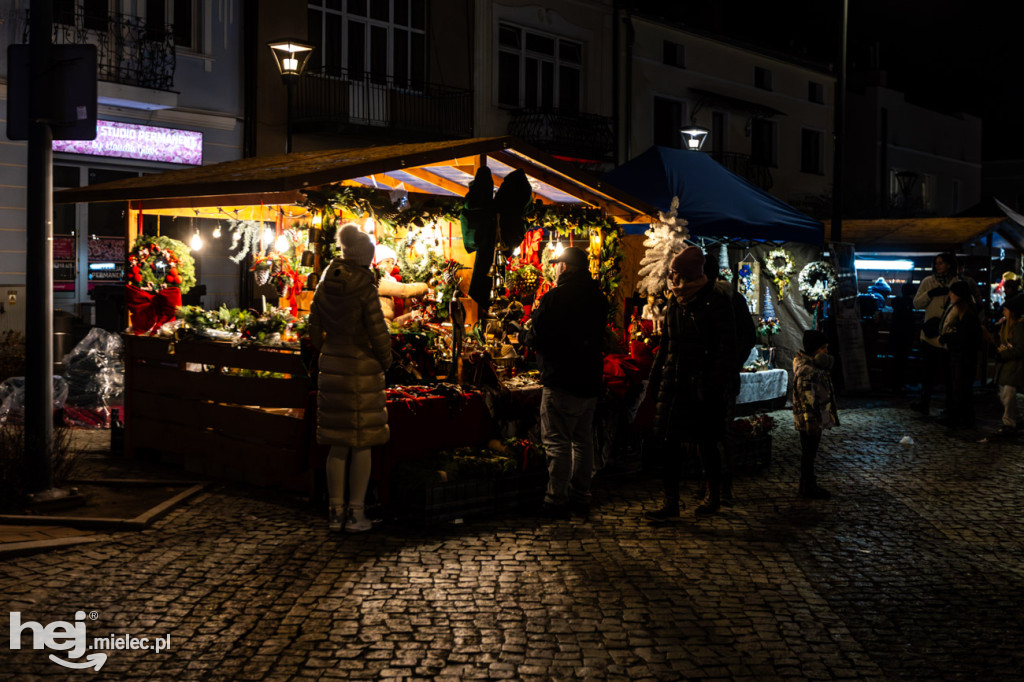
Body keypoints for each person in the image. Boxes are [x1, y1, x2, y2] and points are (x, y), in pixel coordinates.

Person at [309, 223, 393, 533]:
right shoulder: (365, 288)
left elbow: (314, 330)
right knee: (361, 444)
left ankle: (335, 512)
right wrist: (386, 361)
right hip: (360, 370)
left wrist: (329, 351)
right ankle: (356, 514)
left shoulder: (324, 283)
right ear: (365, 257)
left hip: (331, 366)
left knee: (336, 445)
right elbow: (378, 331)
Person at [644, 246, 737, 520]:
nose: (671, 278)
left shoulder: (715, 301)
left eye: (675, 273)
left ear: (686, 275)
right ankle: (670, 502)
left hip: (701, 386)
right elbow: (667, 344)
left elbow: (726, 348)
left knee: (706, 443)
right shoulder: (675, 301)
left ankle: (714, 494)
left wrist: (713, 383)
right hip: (673, 383)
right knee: (668, 443)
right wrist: (657, 377)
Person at [525, 246, 608, 519]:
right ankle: (581, 495)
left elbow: (539, 335)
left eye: (559, 263)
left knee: (558, 441)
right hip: (590, 378)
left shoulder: (556, 297)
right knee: (583, 441)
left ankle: (555, 498)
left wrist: (527, 338)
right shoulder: (597, 297)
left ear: (565, 267)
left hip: (561, 377)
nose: (556, 268)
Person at [912, 253, 967, 414]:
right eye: (936, 263)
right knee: (927, 373)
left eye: (941, 263)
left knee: (949, 374)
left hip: (947, 335)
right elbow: (916, 303)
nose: (938, 266)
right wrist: (930, 294)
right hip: (929, 334)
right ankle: (924, 402)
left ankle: (950, 406)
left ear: (949, 265)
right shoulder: (928, 282)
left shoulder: (956, 283)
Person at [792, 330, 840, 500]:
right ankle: (807, 486)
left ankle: (808, 483)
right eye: (824, 348)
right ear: (815, 349)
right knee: (808, 453)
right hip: (810, 421)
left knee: (810, 453)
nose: (827, 352)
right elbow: (807, 400)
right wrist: (811, 422)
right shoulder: (808, 371)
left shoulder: (813, 368)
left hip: (814, 419)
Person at [937, 280, 982, 430]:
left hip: (963, 356)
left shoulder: (966, 313)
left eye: (952, 292)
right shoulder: (965, 310)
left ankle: (959, 419)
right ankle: (962, 418)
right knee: (960, 387)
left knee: (961, 387)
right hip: (962, 355)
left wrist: (947, 337)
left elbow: (964, 336)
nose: (950, 294)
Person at [989, 294, 1024, 436]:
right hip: (1006, 367)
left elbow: (1019, 348)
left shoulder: (1019, 327)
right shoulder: (1005, 324)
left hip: (1013, 367)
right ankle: (1012, 420)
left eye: (1006, 309)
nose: (1004, 311)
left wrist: (1002, 354)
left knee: (1008, 395)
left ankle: (1009, 422)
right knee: (1004, 394)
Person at [889, 282, 917, 393]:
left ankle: (896, 385)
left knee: (897, 362)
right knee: (902, 362)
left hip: (896, 337)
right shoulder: (908, 305)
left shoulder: (898, 303)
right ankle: (899, 385)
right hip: (904, 338)